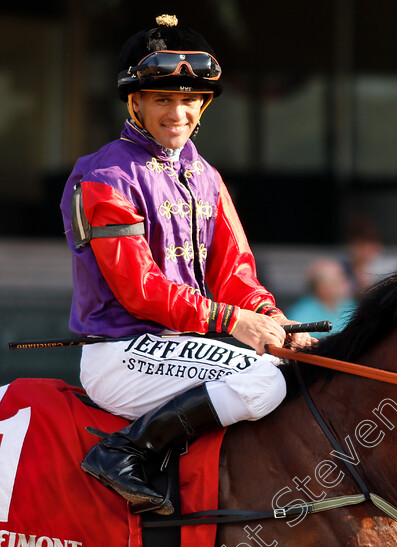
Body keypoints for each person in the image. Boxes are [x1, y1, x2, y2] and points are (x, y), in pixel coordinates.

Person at [59, 14, 313, 516]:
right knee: (265, 381)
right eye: (163, 99)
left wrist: (278, 322)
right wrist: (233, 321)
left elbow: (234, 272)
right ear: (135, 103)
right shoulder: (104, 175)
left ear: (204, 106)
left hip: (181, 349)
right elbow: (141, 291)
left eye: (189, 100)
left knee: (299, 369)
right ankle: (124, 450)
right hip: (120, 354)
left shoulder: (206, 176)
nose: (178, 112)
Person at [286, 258, 356, 333]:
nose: (346, 285)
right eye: (336, 282)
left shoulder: (351, 306)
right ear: (321, 287)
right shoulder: (300, 313)